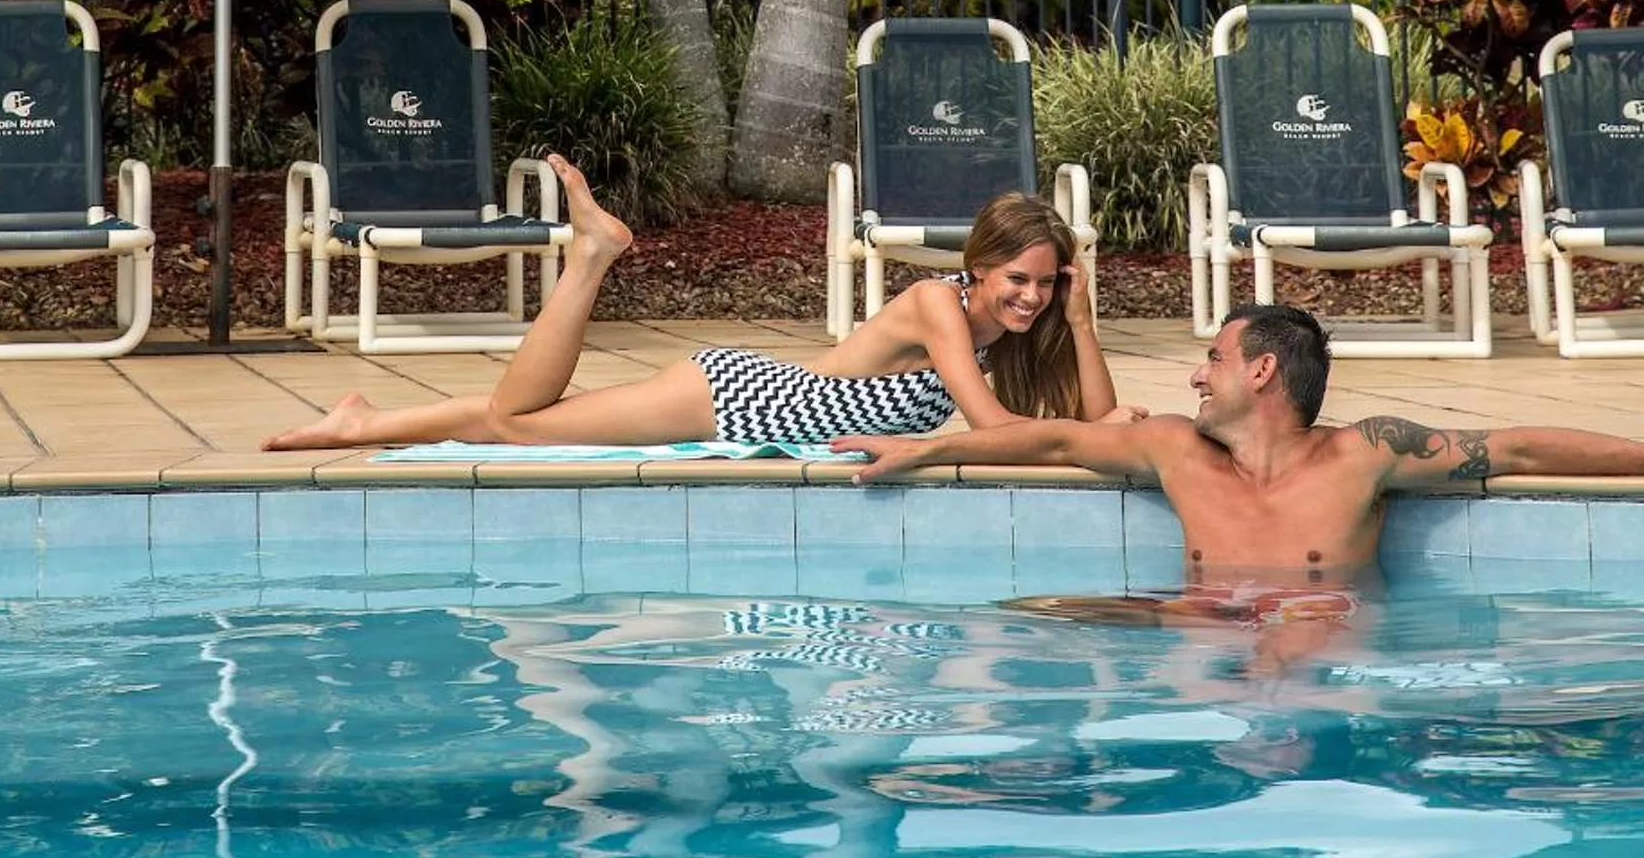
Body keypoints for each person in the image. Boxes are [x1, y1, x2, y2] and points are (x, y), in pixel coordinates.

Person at [263, 162, 1127, 453]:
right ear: (977, 267)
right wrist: (1106, 429)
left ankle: (359, 421)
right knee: (520, 422)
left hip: (768, 409)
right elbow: (986, 429)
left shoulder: (1011, 325)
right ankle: (593, 255)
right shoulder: (939, 304)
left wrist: (1080, 325)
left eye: (1046, 283)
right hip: (748, 399)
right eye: (1016, 277)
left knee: (530, 420)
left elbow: (1086, 414)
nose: (1030, 296)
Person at [839, 301, 1644, 592]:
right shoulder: (1174, 451)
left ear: (1262, 371)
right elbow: (1058, 440)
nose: (1195, 376)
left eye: (1214, 359)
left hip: (1319, 660)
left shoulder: (1364, 453)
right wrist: (924, 452)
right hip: (1190, 645)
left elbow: (1521, 452)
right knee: (1023, 618)